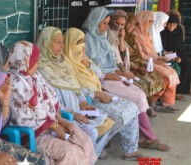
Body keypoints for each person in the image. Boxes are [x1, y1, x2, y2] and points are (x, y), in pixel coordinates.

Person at [83, 7, 170, 152]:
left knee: (139, 91)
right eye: (104, 24)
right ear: (94, 22)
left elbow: (111, 62)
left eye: (106, 23)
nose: (106, 27)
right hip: (101, 81)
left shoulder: (101, 38)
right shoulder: (86, 40)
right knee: (138, 97)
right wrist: (114, 75)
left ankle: (144, 135)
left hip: (113, 75)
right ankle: (147, 137)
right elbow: (91, 69)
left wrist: (120, 73)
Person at [63, 27, 146, 160]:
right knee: (119, 117)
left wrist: (87, 63)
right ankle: (96, 147)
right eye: (79, 42)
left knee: (132, 107)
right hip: (87, 101)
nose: (83, 46)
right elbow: (74, 89)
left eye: (84, 41)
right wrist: (96, 94)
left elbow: (100, 73)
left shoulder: (82, 60)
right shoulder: (65, 64)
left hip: (99, 94)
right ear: (70, 44)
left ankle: (130, 149)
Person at [8, 40, 97, 164]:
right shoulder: (13, 83)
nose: (37, 64)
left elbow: (50, 100)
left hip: (51, 124)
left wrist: (61, 122)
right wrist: (54, 125)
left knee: (84, 141)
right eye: (35, 60)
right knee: (70, 152)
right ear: (25, 61)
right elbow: (23, 117)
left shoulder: (36, 76)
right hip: (33, 135)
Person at [107, 10, 164, 117]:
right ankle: (140, 111)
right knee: (140, 84)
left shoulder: (123, 35)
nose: (119, 26)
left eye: (122, 24)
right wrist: (134, 68)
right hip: (117, 69)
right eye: (117, 23)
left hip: (126, 67)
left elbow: (124, 54)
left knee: (153, 78)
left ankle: (148, 106)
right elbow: (114, 60)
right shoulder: (108, 35)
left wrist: (121, 39)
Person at [125, 11, 180, 112]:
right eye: (149, 21)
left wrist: (158, 58)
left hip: (150, 59)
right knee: (165, 75)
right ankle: (153, 102)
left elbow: (152, 52)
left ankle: (167, 102)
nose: (150, 24)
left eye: (152, 21)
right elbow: (141, 55)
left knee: (172, 72)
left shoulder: (147, 33)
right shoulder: (134, 35)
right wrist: (156, 59)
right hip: (143, 61)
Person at [161, 13, 191, 100]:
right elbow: (161, 48)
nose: (172, 26)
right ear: (167, 23)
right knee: (184, 68)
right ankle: (178, 92)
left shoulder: (179, 31)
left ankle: (185, 90)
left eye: (174, 24)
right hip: (166, 56)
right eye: (170, 24)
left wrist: (178, 57)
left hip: (177, 55)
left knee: (190, 67)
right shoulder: (163, 32)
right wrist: (171, 55)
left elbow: (180, 47)